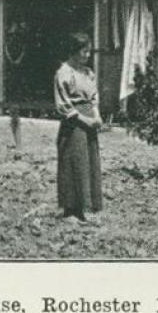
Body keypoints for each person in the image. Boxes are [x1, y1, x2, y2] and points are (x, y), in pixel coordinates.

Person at [54, 32, 103, 223]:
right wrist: (85, 120)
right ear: (74, 51)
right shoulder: (63, 73)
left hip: (90, 120)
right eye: (84, 51)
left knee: (89, 163)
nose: (87, 55)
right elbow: (64, 106)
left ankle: (88, 207)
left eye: (89, 51)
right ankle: (71, 210)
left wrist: (96, 116)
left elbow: (93, 98)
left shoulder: (88, 73)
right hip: (74, 124)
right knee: (74, 163)